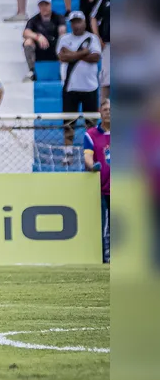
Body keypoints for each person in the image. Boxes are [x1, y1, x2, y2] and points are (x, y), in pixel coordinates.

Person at [56, 11, 101, 164]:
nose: (76, 24)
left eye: (79, 21)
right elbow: (62, 57)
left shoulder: (92, 38)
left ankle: (92, 152)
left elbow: (95, 57)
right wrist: (83, 53)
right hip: (70, 87)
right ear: (71, 23)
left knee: (91, 123)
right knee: (69, 122)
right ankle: (68, 152)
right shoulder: (64, 39)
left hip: (90, 87)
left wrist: (72, 54)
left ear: (84, 22)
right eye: (74, 22)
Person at [83, 99, 110, 263]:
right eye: (105, 109)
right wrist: (92, 166)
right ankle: (103, 256)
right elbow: (87, 157)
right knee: (102, 225)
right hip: (102, 188)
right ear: (100, 112)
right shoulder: (91, 134)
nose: (108, 111)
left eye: (111, 109)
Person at [22, 0, 67, 81]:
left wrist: (61, 35)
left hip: (55, 47)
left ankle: (64, 71)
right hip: (40, 48)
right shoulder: (34, 20)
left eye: (46, 4)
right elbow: (25, 32)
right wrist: (38, 37)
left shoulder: (58, 17)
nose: (44, 7)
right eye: (41, 5)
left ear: (50, 5)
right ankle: (32, 71)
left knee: (63, 40)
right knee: (28, 42)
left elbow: (62, 30)